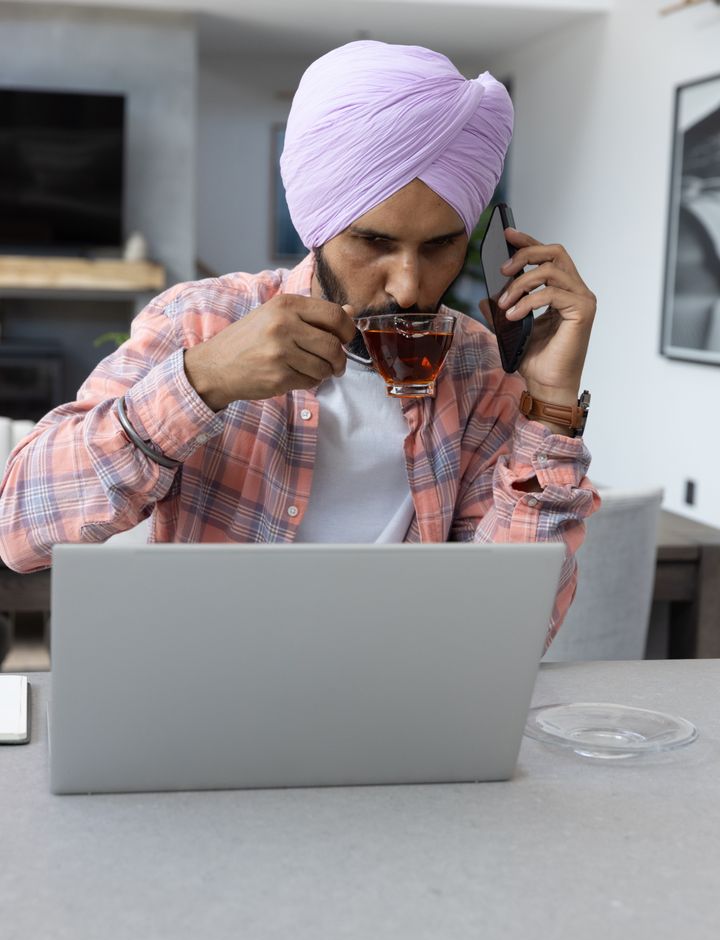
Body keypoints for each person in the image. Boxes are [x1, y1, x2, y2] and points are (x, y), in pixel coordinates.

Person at [0, 41, 599, 644]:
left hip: (399, 699)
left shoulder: (479, 367)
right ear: (318, 227)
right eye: (374, 243)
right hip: (207, 690)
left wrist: (549, 404)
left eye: (441, 246)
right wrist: (201, 381)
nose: (409, 286)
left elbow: (506, 631)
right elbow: (21, 531)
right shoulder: (203, 321)